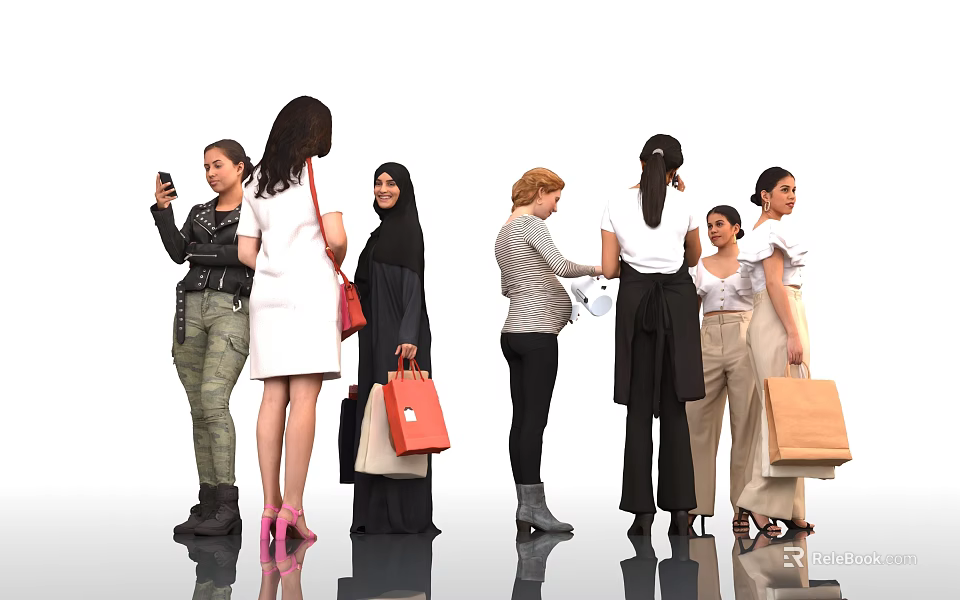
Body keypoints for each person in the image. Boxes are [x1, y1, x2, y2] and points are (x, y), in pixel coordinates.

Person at [236, 96, 347, 542]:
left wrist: (273, 265)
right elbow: (336, 239)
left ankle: (268, 507)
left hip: (268, 297)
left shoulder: (255, 181)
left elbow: (246, 250)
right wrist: (325, 259)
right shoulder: (320, 173)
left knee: (271, 400)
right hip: (310, 294)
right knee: (304, 400)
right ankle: (293, 509)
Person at [600, 134, 704, 537]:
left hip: (636, 303)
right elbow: (693, 258)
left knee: (639, 410)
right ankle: (680, 514)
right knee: (676, 407)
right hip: (677, 303)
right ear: (676, 169)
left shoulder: (614, 202)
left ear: (641, 163)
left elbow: (610, 269)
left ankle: (641, 515)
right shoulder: (686, 203)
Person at [152, 139, 255, 536]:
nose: (211, 173)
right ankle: (208, 502)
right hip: (189, 309)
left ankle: (229, 505)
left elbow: (252, 258)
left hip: (232, 309)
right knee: (198, 408)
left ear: (240, 168)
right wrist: (165, 212)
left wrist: (203, 252)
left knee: (214, 399)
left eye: (218, 166)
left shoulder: (256, 210)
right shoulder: (199, 212)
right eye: (206, 167)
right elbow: (180, 254)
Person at [495, 167, 601, 534]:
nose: (555, 208)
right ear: (540, 192)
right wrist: (600, 268)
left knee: (522, 420)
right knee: (533, 423)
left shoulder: (503, 232)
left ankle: (527, 507)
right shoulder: (531, 226)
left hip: (514, 333)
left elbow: (509, 287)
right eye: (555, 199)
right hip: (537, 335)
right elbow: (560, 266)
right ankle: (534, 510)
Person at [350, 162, 437, 535]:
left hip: (402, 340)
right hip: (374, 337)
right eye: (378, 183)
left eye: (391, 183)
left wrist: (409, 335)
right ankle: (374, 515)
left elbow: (414, 288)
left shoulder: (407, 231)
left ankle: (404, 516)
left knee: (403, 420)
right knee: (377, 419)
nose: (383, 189)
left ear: (405, 189)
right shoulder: (379, 233)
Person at [734, 167, 815, 536]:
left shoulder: (768, 230)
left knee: (790, 411)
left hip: (780, 314)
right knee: (778, 410)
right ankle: (758, 502)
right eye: (785, 189)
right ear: (765, 195)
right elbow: (772, 283)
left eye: (795, 189)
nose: (792, 195)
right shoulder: (769, 231)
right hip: (778, 317)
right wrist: (793, 333)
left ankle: (789, 505)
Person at [686, 205, 760, 532]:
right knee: (697, 421)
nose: (713, 230)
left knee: (746, 424)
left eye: (719, 224)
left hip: (746, 339)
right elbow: (691, 311)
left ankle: (744, 506)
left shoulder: (752, 261)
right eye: (709, 225)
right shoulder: (699, 266)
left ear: (736, 227)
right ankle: (693, 503)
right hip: (707, 341)